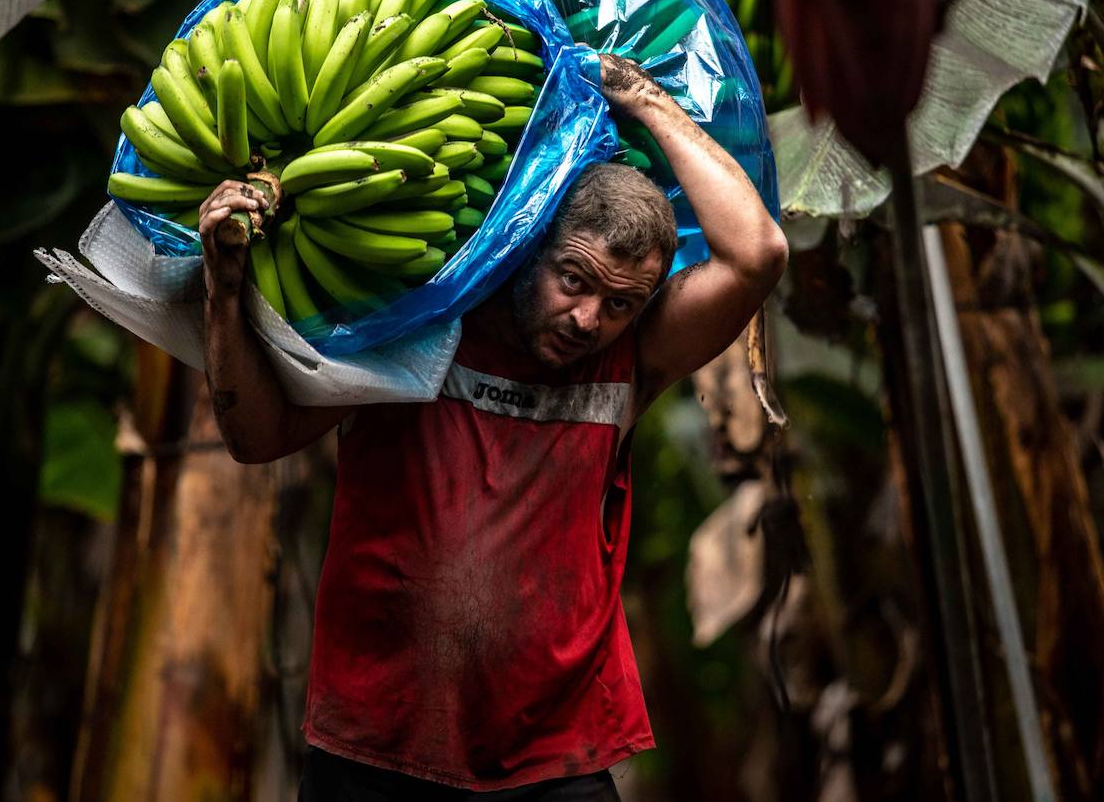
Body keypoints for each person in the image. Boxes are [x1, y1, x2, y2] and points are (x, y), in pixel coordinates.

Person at [197, 54, 788, 801]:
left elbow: (759, 253)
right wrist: (223, 292)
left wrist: (647, 102)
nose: (588, 320)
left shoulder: (631, 361)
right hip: (376, 745)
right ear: (527, 249)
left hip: (556, 759)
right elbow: (258, 439)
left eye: (620, 303)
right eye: (573, 281)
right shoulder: (421, 326)